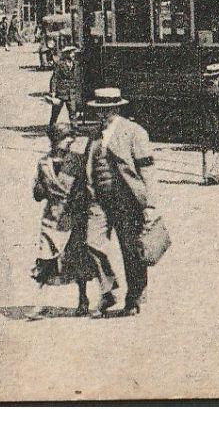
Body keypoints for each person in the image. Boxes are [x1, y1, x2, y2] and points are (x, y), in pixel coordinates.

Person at [82, 87, 155, 317]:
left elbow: (147, 170)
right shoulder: (94, 134)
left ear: (116, 108)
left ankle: (134, 297)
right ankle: (109, 288)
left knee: (131, 250)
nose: (101, 115)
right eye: (98, 110)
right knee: (92, 242)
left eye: (106, 110)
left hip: (126, 200)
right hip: (99, 200)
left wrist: (149, 204)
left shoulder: (134, 132)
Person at [32, 121, 95, 315]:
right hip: (52, 217)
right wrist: (41, 188)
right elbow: (37, 194)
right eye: (67, 137)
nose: (71, 141)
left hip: (74, 215)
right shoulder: (43, 163)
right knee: (45, 259)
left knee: (78, 258)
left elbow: (86, 188)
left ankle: (83, 300)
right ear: (56, 140)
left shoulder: (77, 160)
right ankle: (39, 303)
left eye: (71, 137)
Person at [198, 63, 219, 185]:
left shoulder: (202, 90)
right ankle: (214, 172)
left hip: (205, 125)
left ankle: (206, 176)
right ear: (217, 77)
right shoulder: (217, 92)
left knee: (206, 149)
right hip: (218, 125)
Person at [48, 47, 81, 127]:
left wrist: (78, 92)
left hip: (71, 93)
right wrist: (53, 91)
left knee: (72, 112)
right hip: (61, 93)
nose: (73, 55)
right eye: (71, 53)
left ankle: (74, 129)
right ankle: (52, 127)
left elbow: (78, 79)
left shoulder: (76, 64)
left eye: (73, 53)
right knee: (55, 112)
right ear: (66, 54)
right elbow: (54, 78)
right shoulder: (60, 64)